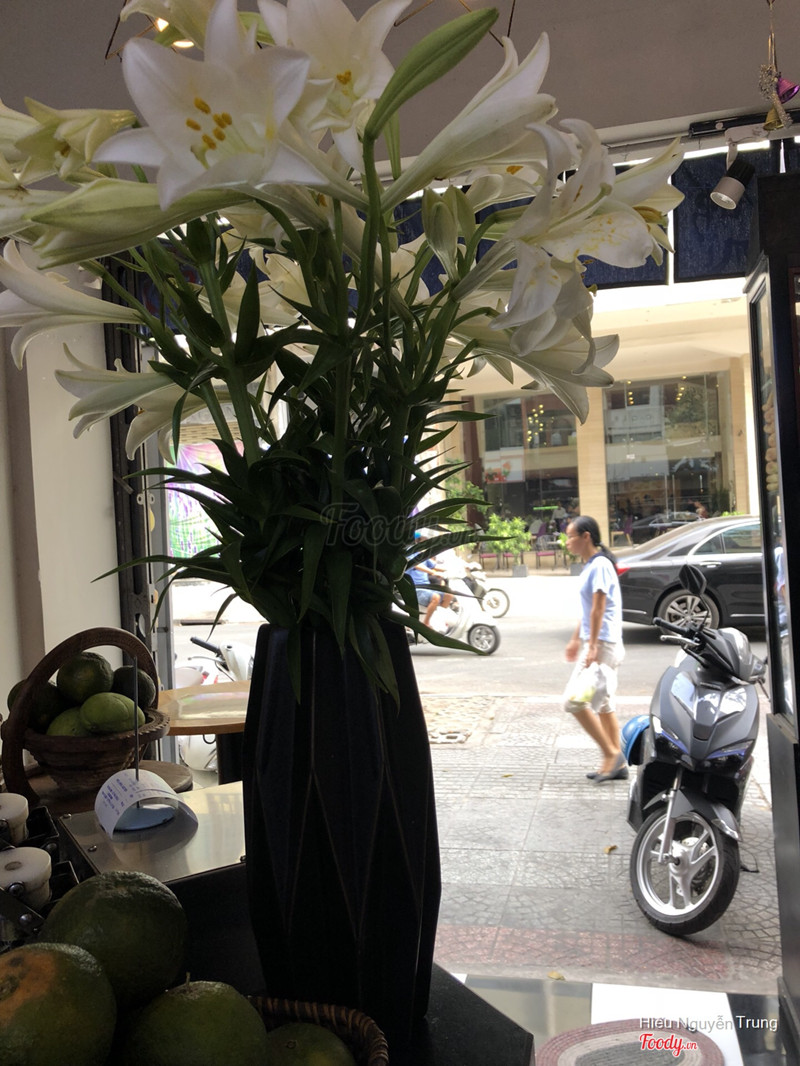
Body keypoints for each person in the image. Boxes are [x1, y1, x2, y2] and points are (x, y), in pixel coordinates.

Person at [563, 515, 627, 783]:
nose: (567, 542)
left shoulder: (599, 564)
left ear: (586, 536)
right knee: (604, 704)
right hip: (602, 642)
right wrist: (575, 639)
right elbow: (588, 610)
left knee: (573, 701)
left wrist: (591, 646)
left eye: (570, 537)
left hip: (603, 645)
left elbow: (599, 608)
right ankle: (617, 763)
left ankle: (611, 753)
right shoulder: (592, 565)